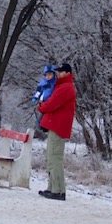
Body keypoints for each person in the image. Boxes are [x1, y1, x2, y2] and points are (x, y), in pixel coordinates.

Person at [37, 62, 76, 201]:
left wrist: (41, 106)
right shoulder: (62, 86)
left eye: (61, 71)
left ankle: (58, 190)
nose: (58, 74)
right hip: (56, 126)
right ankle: (52, 188)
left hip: (58, 127)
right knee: (52, 158)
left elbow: (52, 104)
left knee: (55, 158)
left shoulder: (65, 88)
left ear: (67, 73)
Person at [32, 64, 57, 131]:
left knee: (49, 117)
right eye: (47, 75)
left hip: (52, 102)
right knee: (41, 118)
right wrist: (35, 98)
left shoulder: (55, 83)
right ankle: (42, 127)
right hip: (44, 102)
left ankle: (47, 127)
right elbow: (38, 92)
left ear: (53, 74)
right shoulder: (43, 83)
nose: (48, 76)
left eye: (50, 74)